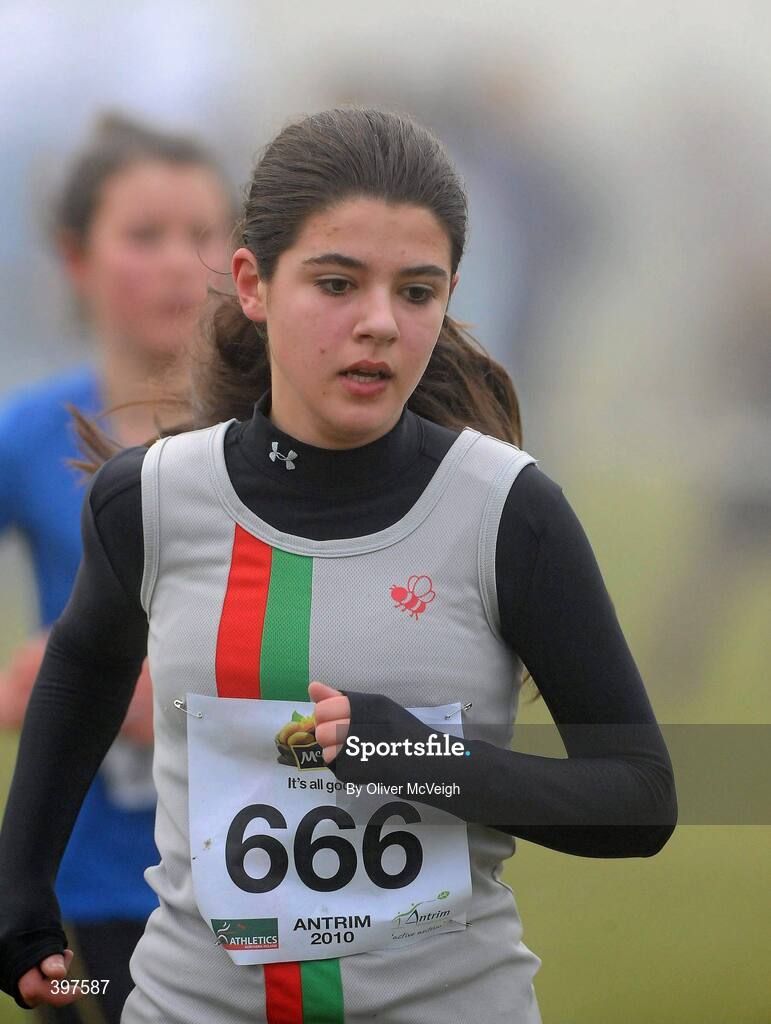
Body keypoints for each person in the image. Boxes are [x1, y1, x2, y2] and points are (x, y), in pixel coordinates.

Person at [0, 108, 677, 1023]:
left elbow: (638, 799)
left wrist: (413, 757)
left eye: (416, 291)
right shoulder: (148, 499)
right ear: (252, 283)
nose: (378, 324)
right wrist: (23, 889)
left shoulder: (509, 511)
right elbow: (83, 669)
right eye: (335, 282)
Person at [0, 112, 233, 1022]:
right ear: (76, 256)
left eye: (204, 233)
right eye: (145, 235)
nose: (181, 262)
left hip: (259, 874)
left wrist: (178, 700)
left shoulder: (283, 437)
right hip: (87, 896)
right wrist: (23, 688)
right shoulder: (30, 433)